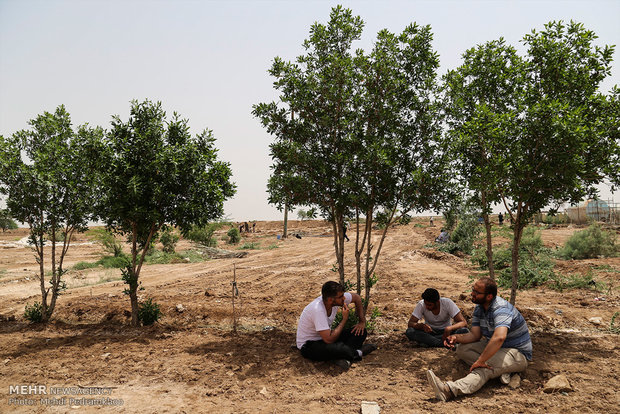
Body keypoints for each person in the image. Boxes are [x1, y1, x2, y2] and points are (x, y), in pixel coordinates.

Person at [426, 277, 532, 402]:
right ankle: (500, 371)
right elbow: (474, 335)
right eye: (473, 290)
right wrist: (456, 338)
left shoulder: (501, 308)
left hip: (516, 353)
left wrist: (481, 360)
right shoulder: (480, 308)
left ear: (489, 296)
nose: (472, 294)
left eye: (477, 292)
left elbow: (499, 337)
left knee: (484, 367)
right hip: (497, 349)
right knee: (461, 350)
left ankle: (450, 390)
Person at [296, 281, 376, 370]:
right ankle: (357, 353)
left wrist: (362, 321)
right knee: (338, 349)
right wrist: (344, 319)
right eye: (341, 297)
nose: (344, 298)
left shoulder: (335, 301)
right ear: (330, 299)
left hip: (326, 337)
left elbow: (357, 298)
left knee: (361, 332)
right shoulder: (318, 309)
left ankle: (343, 356)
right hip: (309, 345)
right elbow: (329, 340)